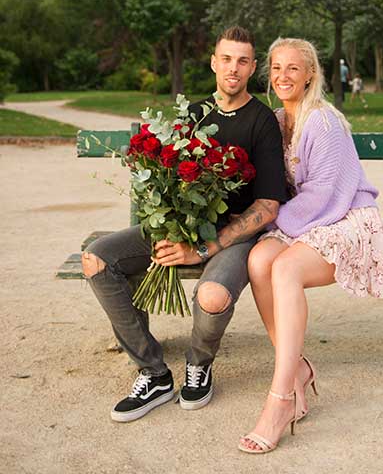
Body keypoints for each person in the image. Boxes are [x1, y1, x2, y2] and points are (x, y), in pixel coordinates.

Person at [83, 26, 289, 421]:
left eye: (243, 61)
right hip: (181, 224)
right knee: (97, 259)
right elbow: (168, 178)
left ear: (252, 68)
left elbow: (266, 207)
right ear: (213, 62)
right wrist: (170, 229)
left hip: (233, 235)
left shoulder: (262, 122)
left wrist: (204, 249)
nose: (234, 68)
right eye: (226, 59)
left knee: (211, 297)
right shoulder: (192, 114)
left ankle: (198, 364)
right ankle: (153, 372)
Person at [238, 37, 383, 454]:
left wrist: (272, 222)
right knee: (259, 261)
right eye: (276, 68)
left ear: (311, 73)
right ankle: (298, 370)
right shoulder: (276, 120)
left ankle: (280, 401)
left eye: (293, 68)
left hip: (345, 218)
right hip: (304, 223)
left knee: (285, 269)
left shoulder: (323, 121)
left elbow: (324, 193)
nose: (282, 76)